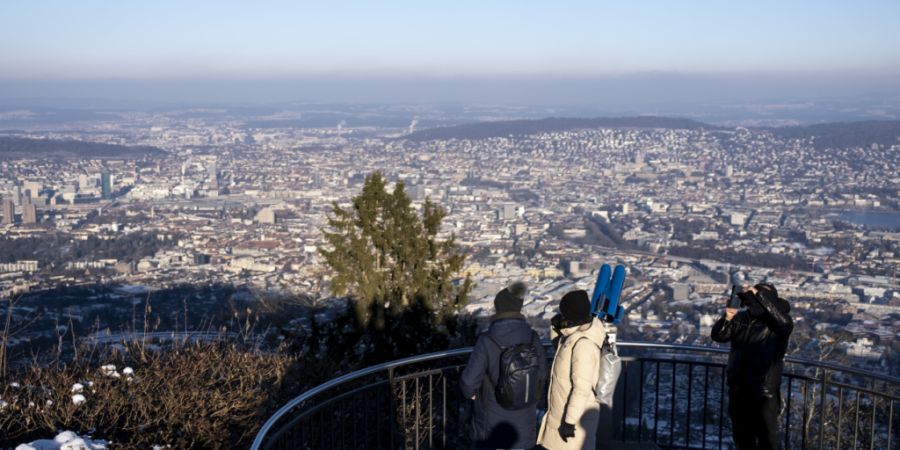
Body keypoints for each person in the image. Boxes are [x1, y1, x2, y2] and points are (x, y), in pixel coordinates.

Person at [461, 282, 548, 450]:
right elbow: (542, 374)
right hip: (524, 425)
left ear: (498, 309)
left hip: (492, 427)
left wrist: (471, 394)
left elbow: (468, 382)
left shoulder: (486, 340)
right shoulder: (532, 337)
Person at [711, 283, 793, 450]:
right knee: (742, 436)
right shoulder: (742, 318)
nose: (749, 304)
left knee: (766, 439)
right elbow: (719, 336)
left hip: (763, 388)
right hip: (738, 385)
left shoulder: (778, 321)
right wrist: (728, 317)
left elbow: (784, 323)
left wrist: (759, 294)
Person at [537, 290, 606, 450]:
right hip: (562, 414)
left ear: (571, 314)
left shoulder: (583, 345)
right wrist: (556, 327)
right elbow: (562, 352)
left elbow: (581, 389)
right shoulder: (575, 335)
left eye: (564, 313)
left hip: (572, 420)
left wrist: (569, 422)